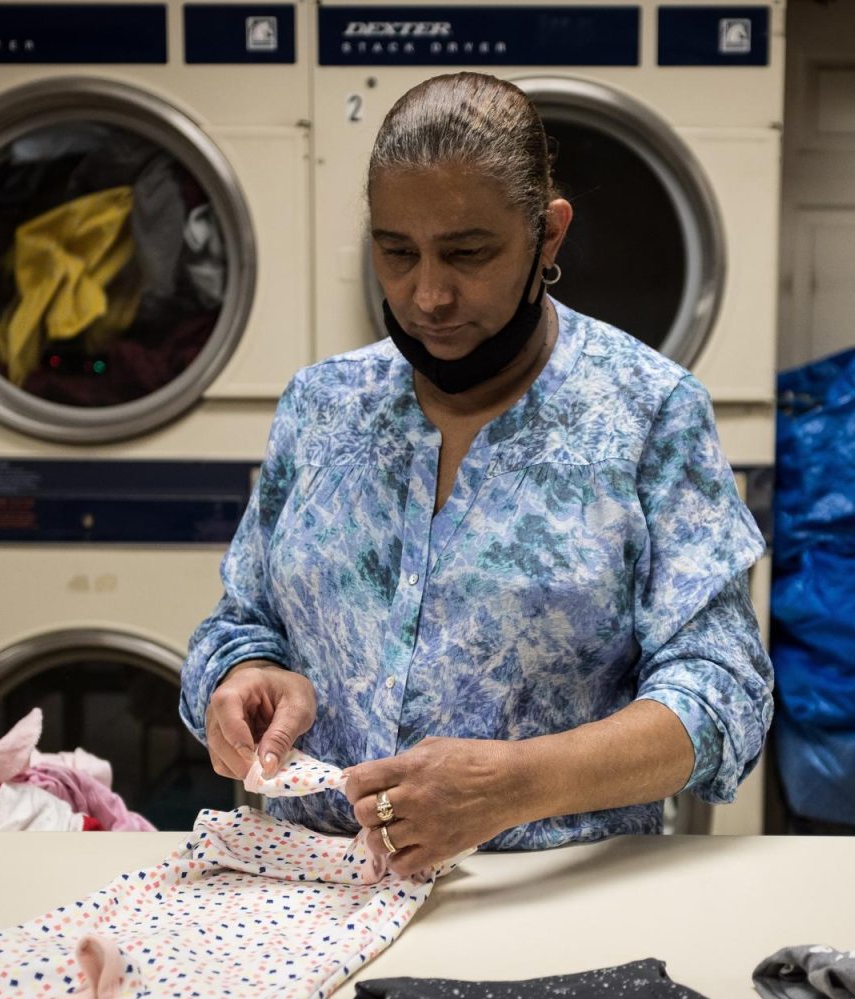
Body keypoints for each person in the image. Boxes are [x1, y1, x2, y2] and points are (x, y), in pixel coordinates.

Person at [181, 72, 772, 875]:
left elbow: (723, 694)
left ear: (548, 236)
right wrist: (242, 676)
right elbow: (240, 621)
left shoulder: (646, 414)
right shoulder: (322, 407)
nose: (427, 295)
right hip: (312, 893)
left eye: (469, 253)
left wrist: (516, 784)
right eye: (397, 253)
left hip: (549, 892)